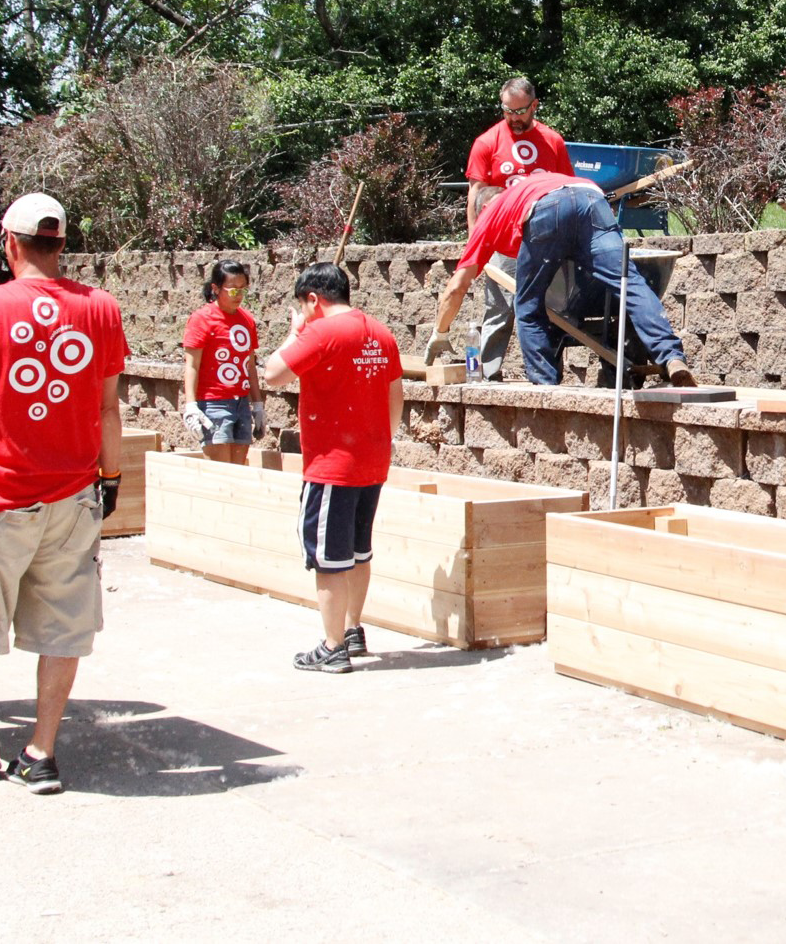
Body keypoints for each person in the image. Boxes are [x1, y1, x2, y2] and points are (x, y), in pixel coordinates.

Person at [0, 193, 127, 793]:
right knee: (63, 626)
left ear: (9, 243)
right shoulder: (101, 309)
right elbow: (107, 409)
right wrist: (112, 478)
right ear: (61, 244)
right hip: (73, 496)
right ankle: (41, 752)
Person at [426, 169, 695, 388]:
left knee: (528, 306)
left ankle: (546, 387)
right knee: (630, 283)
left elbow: (456, 287)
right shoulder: (528, 185)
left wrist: (440, 333)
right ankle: (671, 357)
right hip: (591, 196)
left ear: (484, 206)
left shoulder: (491, 215)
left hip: (546, 208)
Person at [260, 261, 402, 673]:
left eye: (302, 307)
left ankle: (332, 645)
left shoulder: (318, 331)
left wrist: (295, 331)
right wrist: (380, 442)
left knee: (328, 557)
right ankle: (353, 630)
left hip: (331, 466)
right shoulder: (381, 333)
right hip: (373, 462)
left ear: (312, 299)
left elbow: (272, 374)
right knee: (359, 551)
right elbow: (396, 399)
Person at [464, 77, 570, 380]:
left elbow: (566, 188)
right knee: (498, 308)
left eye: (521, 111)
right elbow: (476, 192)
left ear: (534, 105)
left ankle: (546, 376)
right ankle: (488, 374)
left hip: (546, 239)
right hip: (502, 240)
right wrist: (476, 242)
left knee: (548, 309)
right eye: (508, 111)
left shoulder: (553, 140)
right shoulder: (487, 142)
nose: (514, 118)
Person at [181, 259, 264, 464]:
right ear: (216, 289)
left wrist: (258, 404)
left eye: (243, 289)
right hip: (213, 403)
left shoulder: (247, 320)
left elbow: (250, 365)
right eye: (233, 290)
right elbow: (192, 365)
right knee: (219, 472)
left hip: (241, 403)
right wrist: (191, 406)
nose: (239, 296)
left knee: (238, 469)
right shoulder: (202, 318)